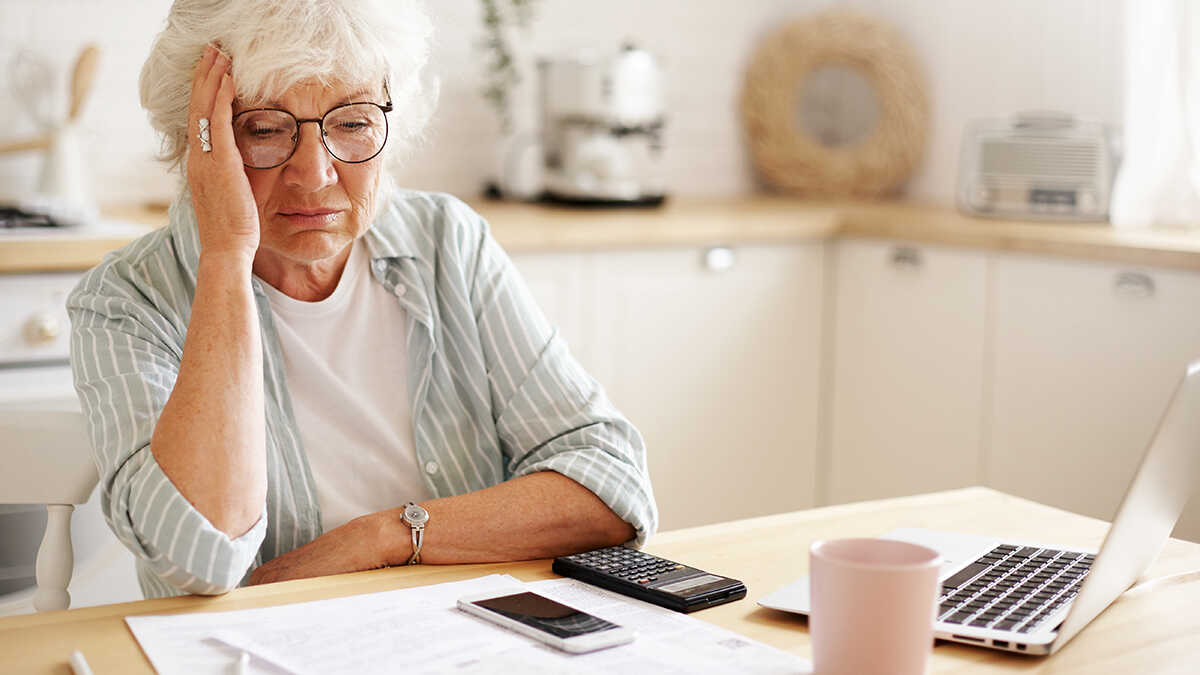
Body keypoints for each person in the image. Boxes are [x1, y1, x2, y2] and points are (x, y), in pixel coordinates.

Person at [67, 0, 656, 599]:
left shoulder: (448, 242)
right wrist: (225, 256)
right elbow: (200, 559)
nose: (316, 173)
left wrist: (387, 536)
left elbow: (611, 488)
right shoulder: (126, 300)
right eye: (265, 130)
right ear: (199, 141)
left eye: (351, 123)